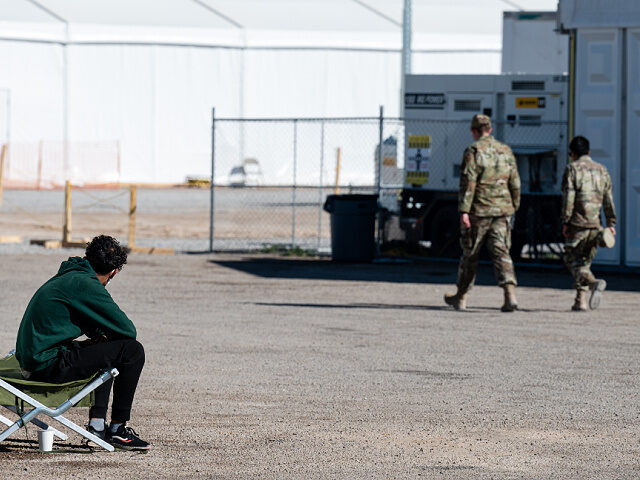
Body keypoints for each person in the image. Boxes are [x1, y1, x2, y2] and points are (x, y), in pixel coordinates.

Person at [15, 235, 150, 450]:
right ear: (113, 272)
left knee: (109, 346)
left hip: (34, 359)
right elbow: (128, 330)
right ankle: (117, 428)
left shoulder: (71, 275)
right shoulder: (85, 284)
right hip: (44, 365)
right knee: (132, 351)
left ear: (87, 256)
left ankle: (97, 426)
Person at [444, 114, 521, 312]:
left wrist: (464, 211)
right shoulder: (506, 151)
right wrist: (514, 205)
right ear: (491, 129)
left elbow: (469, 182)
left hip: (480, 211)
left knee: (470, 254)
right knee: (502, 253)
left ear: (473, 131)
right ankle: (509, 294)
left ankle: (461, 297)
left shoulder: (473, 150)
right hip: (502, 211)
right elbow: (515, 182)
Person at [561, 136, 616, 311]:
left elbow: (568, 198)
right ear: (589, 152)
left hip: (578, 224)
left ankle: (593, 283)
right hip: (596, 225)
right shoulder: (602, 170)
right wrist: (611, 223)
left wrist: (566, 221)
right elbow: (608, 199)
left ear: (573, 154)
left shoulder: (572, 169)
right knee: (584, 262)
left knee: (572, 260)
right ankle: (580, 301)